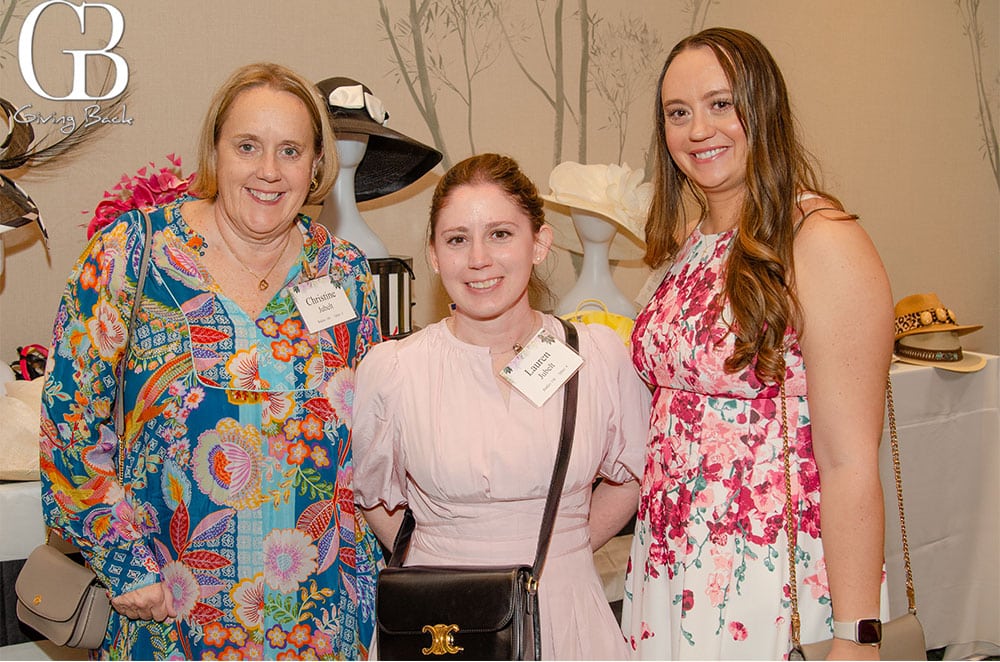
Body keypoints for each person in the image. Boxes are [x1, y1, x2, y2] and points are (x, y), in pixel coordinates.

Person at [39, 62, 383, 659]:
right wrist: (125, 564)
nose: (269, 171)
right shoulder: (131, 253)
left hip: (321, 621)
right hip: (173, 616)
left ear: (316, 166)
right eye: (248, 146)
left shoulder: (345, 274)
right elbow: (70, 424)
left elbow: (376, 436)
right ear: (216, 152)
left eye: (291, 150)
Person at [622, 28, 893, 660]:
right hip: (671, 567)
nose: (698, 131)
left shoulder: (821, 240)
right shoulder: (691, 240)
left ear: (763, 108)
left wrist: (857, 639)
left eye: (721, 104)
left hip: (769, 574)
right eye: (678, 113)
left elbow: (851, 462)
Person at [352, 153, 651, 659]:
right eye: (456, 239)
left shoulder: (597, 357)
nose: (478, 260)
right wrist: (449, 547)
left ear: (540, 243)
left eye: (500, 234)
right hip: (443, 627)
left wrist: (564, 548)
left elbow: (632, 477)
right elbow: (376, 500)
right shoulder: (394, 369)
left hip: (567, 611)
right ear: (432, 254)